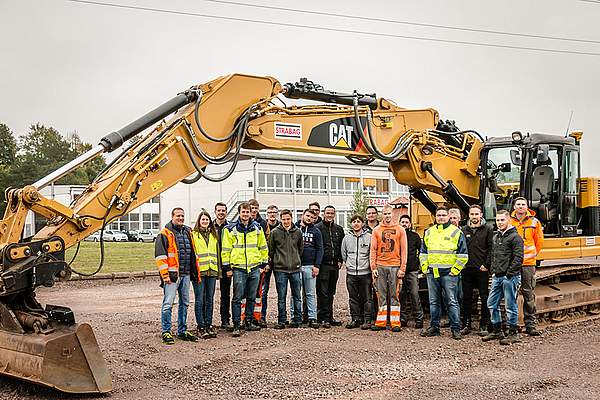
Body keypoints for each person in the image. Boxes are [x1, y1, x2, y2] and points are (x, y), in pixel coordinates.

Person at [419, 206, 468, 340]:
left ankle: (456, 329)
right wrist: (425, 268)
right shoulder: (429, 232)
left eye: (443, 215)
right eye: (438, 215)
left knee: (452, 301)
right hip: (432, 273)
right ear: (435, 216)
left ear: (448, 217)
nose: (441, 217)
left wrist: (455, 271)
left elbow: (463, 255)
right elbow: (423, 252)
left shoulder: (456, 232)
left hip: (449, 274)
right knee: (434, 302)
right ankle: (434, 327)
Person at [221, 202, 269, 337]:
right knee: (237, 297)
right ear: (239, 213)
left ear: (251, 213)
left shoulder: (257, 228)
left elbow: (263, 247)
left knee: (251, 296)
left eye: (248, 212)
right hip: (239, 269)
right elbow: (225, 250)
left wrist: (262, 265)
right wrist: (227, 268)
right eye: (243, 212)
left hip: (254, 268)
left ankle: (248, 321)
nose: (246, 214)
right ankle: (237, 324)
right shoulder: (229, 229)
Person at [155, 207, 199, 344]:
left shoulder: (188, 232)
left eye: (182, 216)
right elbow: (160, 257)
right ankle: (166, 332)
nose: (180, 218)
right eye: (178, 216)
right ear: (172, 216)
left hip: (186, 274)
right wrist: (165, 275)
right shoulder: (164, 234)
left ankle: (182, 331)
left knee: (184, 303)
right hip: (172, 276)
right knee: (168, 304)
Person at [483, 210, 524, 345]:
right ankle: (497, 330)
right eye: (498, 220)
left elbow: (518, 258)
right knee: (491, 303)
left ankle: (513, 333)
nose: (499, 223)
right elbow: (493, 255)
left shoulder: (515, 238)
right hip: (497, 276)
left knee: (510, 305)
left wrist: (509, 275)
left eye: (502, 220)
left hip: (509, 277)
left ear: (508, 220)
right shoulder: (496, 237)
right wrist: (490, 268)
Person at [370, 205, 407, 332]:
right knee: (381, 294)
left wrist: (402, 268)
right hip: (380, 265)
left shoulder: (400, 230)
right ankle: (381, 322)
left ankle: (395, 322)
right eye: (385, 213)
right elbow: (373, 250)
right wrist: (373, 266)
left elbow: (404, 251)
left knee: (395, 294)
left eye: (389, 213)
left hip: (395, 266)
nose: (387, 216)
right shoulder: (376, 230)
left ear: (393, 214)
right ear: (382, 215)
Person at [511, 197, 544, 336]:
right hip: (513, 264)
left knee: (528, 293)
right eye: (518, 204)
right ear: (514, 206)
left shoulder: (534, 222)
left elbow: (539, 241)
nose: (520, 206)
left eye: (523, 204)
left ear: (527, 206)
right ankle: (511, 325)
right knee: (510, 294)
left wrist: (532, 255)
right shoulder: (509, 221)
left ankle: (530, 325)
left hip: (528, 264)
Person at [267, 209, 304, 329]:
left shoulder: (298, 232)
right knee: (281, 297)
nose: (286, 221)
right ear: (280, 219)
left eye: (288, 219)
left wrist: (296, 260)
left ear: (291, 218)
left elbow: (300, 249)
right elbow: (271, 250)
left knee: (297, 296)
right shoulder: (274, 233)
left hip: (295, 269)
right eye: (284, 219)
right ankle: (282, 320)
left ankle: (297, 320)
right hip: (280, 269)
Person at [460, 204, 493, 336]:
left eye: (476, 214)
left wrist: (486, 264)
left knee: (484, 297)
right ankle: (466, 324)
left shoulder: (488, 229)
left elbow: (491, 249)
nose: (474, 216)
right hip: (467, 269)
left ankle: (483, 325)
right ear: (469, 215)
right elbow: (460, 249)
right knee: (466, 298)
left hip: (482, 269)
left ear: (481, 215)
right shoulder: (463, 230)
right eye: (472, 214)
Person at [191, 210, 219, 339]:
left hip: (212, 271)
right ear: (199, 221)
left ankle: (208, 324)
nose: (205, 222)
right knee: (199, 299)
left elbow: (217, 253)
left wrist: (218, 271)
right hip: (199, 272)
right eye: (203, 219)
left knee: (209, 299)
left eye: (207, 220)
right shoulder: (194, 235)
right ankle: (201, 326)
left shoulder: (214, 235)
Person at [341, 214, 373, 329]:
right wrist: (350, 265)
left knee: (367, 297)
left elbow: (371, 254)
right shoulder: (346, 238)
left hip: (365, 273)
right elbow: (344, 254)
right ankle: (355, 319)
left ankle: (367, 319)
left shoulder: (369, 237)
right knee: (353, 297)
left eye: (358, 221)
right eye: (354, 221)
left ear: (363, 224)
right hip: (351, 274)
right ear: (351, 224)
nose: (356, 223)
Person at [316, 205, 345, 328]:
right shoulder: (318, 228)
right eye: (327, 213)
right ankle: (323, 318)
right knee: (322, 292)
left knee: (331, 292)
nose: (329, 215)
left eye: (332, 213)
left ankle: (330, 316)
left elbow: (341, 246)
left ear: (334, 214)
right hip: (323, 265)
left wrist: (340, 259)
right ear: (323, 214)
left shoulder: (339, 229)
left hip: (334, 265)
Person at [295, 209, 323, 328]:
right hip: (296, 266)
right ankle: (295, 317)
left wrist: (317, 266)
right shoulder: (295, 229)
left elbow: (320, 249)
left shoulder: (316, 231)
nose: (309, 218)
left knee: (310, 293)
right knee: (295, 294)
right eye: (307, 216)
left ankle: (312, 318)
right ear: (303, 215)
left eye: (312, 217)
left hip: (310, 266)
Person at [399, 215, 424, 329]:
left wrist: (419, 264)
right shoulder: (397, 236)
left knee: (414, 294)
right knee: (401, 295)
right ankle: (403, 318)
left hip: (412, 270)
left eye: (406, 222)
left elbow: (422, 250)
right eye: (402, 222)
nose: (404, 224)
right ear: (399, 223)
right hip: (399, 271)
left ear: (409, 224)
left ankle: (419, 318)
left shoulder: (415, 236)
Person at [258, 205, 280, 327]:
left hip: (278, 262)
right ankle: (262, 316)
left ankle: (281, 317)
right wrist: (265, 262)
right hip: (266, 263)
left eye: (274, 212)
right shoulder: (262, 226)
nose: (272, 214)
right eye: (270, 212)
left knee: (280, 290)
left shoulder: (281, 226)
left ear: (277, 213)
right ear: (266, 214)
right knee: (264, 290)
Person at [247, 198, 267, 324]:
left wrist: (265, 263)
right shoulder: (241, 224)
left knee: (259, 293)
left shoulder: (262, 224)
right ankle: (245, 318)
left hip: (258, 264)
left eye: (255, 208)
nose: (253, 211)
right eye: (251, 208)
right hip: (245, 264)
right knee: (245, 294)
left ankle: (258, 317)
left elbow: (265, 244)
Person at [214, 202, 232, 331]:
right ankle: (205, 321)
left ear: (226, 212)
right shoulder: (209, 227)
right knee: (207, 295)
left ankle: (225, 320)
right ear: (215, 212)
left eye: (223, 210)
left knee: (226, 294)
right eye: (219, 210)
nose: (221, 212)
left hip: (226, 266)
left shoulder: (231, 227)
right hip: (212, 265)